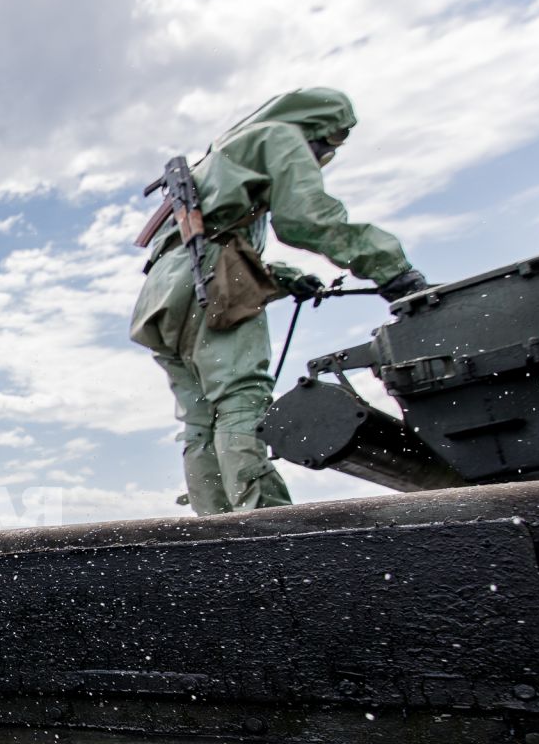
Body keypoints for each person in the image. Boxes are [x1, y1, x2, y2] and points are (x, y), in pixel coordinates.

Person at [131, 87, 428, 515]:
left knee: (199, 422)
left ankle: (215, 527)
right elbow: (305, 219)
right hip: (210, 284)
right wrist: (392, 269)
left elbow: (214, 237)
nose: (326, 153)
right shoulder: (280, 137)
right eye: (331, 141)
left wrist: (289, 279)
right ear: (319, 125)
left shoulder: (220, 157)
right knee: (239, 401)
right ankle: (265, 523)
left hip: (160, 298)